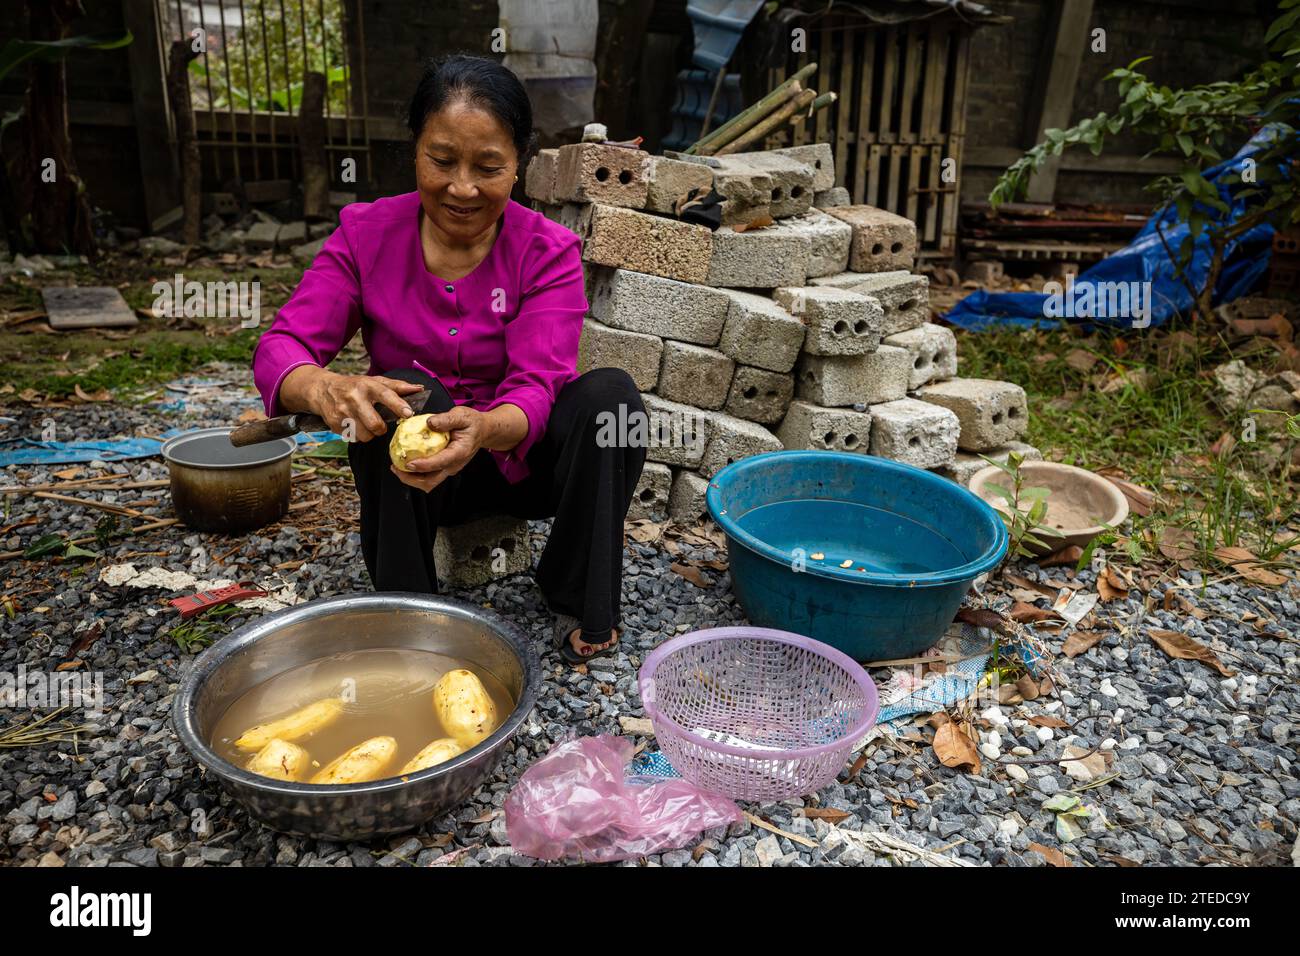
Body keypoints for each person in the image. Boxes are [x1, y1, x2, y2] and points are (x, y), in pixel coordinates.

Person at [251, 54, 645, 664]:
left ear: (519, 168)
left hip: (521, 465)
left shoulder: (548, 251)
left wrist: (484, 427)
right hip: (413, 479)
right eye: (442, 161)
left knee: (610, 399)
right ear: (415, 153)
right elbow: (285, 344)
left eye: (488, 166)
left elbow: (538, 388)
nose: (463, 188)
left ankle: (575, 593)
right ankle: (406, 619)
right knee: (405, 392)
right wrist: (320, 386)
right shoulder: (365, 234)